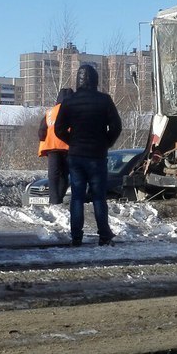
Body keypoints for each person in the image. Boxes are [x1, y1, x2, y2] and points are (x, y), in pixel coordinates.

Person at [54, 64, 122, 246]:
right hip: (97, 156)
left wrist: (72, 141)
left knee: (77, 196)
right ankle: (104, 235)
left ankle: (76, 236)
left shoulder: (69, 101)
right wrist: (106, 143)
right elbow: (117, 127)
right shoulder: (104, 100)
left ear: (78, 79)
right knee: (99, 196)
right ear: (95, 79)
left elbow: (58, 129)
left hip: (76, 156)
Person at [38, 88, 73, 203]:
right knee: (64, 176)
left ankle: (54, 200)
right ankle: (58, 199)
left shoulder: (50, 112)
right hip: (67, 147)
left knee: (53, 175)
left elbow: (41, 131)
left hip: (52, 147)